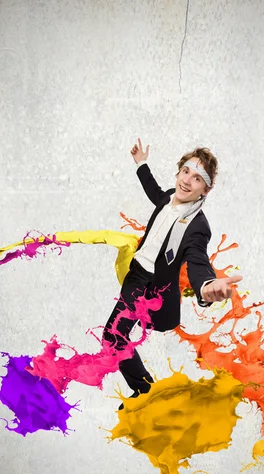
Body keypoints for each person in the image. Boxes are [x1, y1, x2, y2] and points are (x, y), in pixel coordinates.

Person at [103, 138, 242, 409]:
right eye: (186, 171)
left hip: (152, 288)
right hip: (135, 275)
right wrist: (141, 163)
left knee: (113, 335)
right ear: (179, 172)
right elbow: (153, 191)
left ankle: (145, 393)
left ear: (206, 190)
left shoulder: (198, 226)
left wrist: (206, 287)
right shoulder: (167, 196)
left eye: (198, 178)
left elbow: (198, 259)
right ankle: (144, 389)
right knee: (113, 337)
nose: (188, 180)